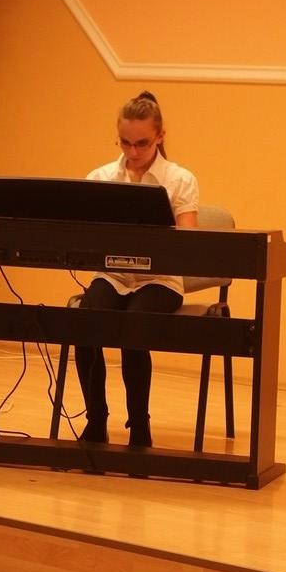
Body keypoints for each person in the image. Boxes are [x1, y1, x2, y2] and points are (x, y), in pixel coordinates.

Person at [75, 91, 199, 447]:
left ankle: (140, 425)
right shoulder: (101, 177)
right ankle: (96, 420)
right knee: (85, 325)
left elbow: (189, 242)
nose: (132, 151)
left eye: (141, 143)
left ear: (160, 136)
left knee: (133, 328)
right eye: (125, 142)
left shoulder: (178, 179)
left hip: (159, 279)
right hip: (113, 274)